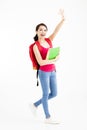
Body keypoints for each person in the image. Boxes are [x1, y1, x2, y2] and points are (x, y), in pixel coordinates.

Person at [29, 9, 65, 124]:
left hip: (53, 71)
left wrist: (63, 19)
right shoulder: (36, 46)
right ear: (36, 31)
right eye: (40, 30)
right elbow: (41, 62)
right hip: (44, 72)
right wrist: (55, 59)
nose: (43, 31)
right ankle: (47, 117)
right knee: (45, 94)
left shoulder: (49, 41)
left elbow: (56, 31)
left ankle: (35, 105)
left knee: (54, 93)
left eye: (45, 30)